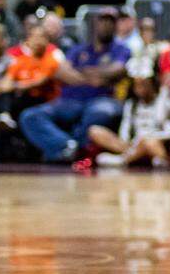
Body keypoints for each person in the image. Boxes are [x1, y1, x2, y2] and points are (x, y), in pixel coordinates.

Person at [19, 9, 131, 161]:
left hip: (102, 99)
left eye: (110, 22)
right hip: (69, 101)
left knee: (98, 114)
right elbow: (60, 71)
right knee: (30, 116)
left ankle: (70, 152)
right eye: (102, 21)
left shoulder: (121, 49)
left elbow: (116, 70)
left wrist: (77, 73)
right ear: (95, 24)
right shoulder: (79, 49)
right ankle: (69, 146)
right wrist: (96, 76)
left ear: (116, 25)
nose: (106, 25)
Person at [91, 56, 170, 168]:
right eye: (136, 85)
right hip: (132, 145)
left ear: (151, 83)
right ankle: (132, 155)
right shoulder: (132, 104)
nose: (139, 89)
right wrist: (128, 142)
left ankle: (123, 160)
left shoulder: (164, 101)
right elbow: (125, 127)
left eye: (143, 85)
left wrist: (148, 137)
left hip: (153, 142)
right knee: (95, 131)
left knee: (150, 143)